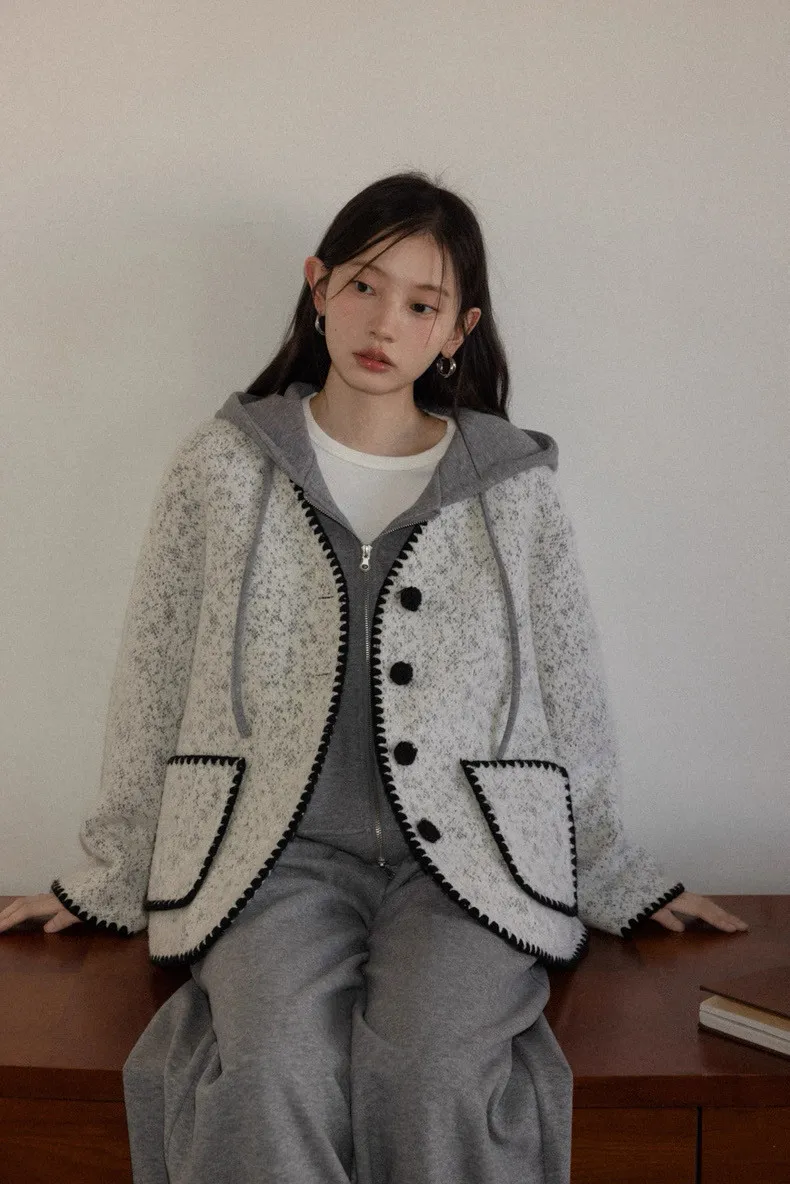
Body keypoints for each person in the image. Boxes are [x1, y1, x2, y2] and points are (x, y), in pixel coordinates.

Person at [0, 170, 748, 1184]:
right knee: (270, 1070)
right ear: (318, 285)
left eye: (422, 303)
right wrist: (113, 867)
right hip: (271, 858)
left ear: (459, 329)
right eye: (363, 284)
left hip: (469, 864)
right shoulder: (222, 465)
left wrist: (610, 865)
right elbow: (156, 671)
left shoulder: (511, 486)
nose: (385, 321)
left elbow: (567, 688)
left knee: (432, 1073)